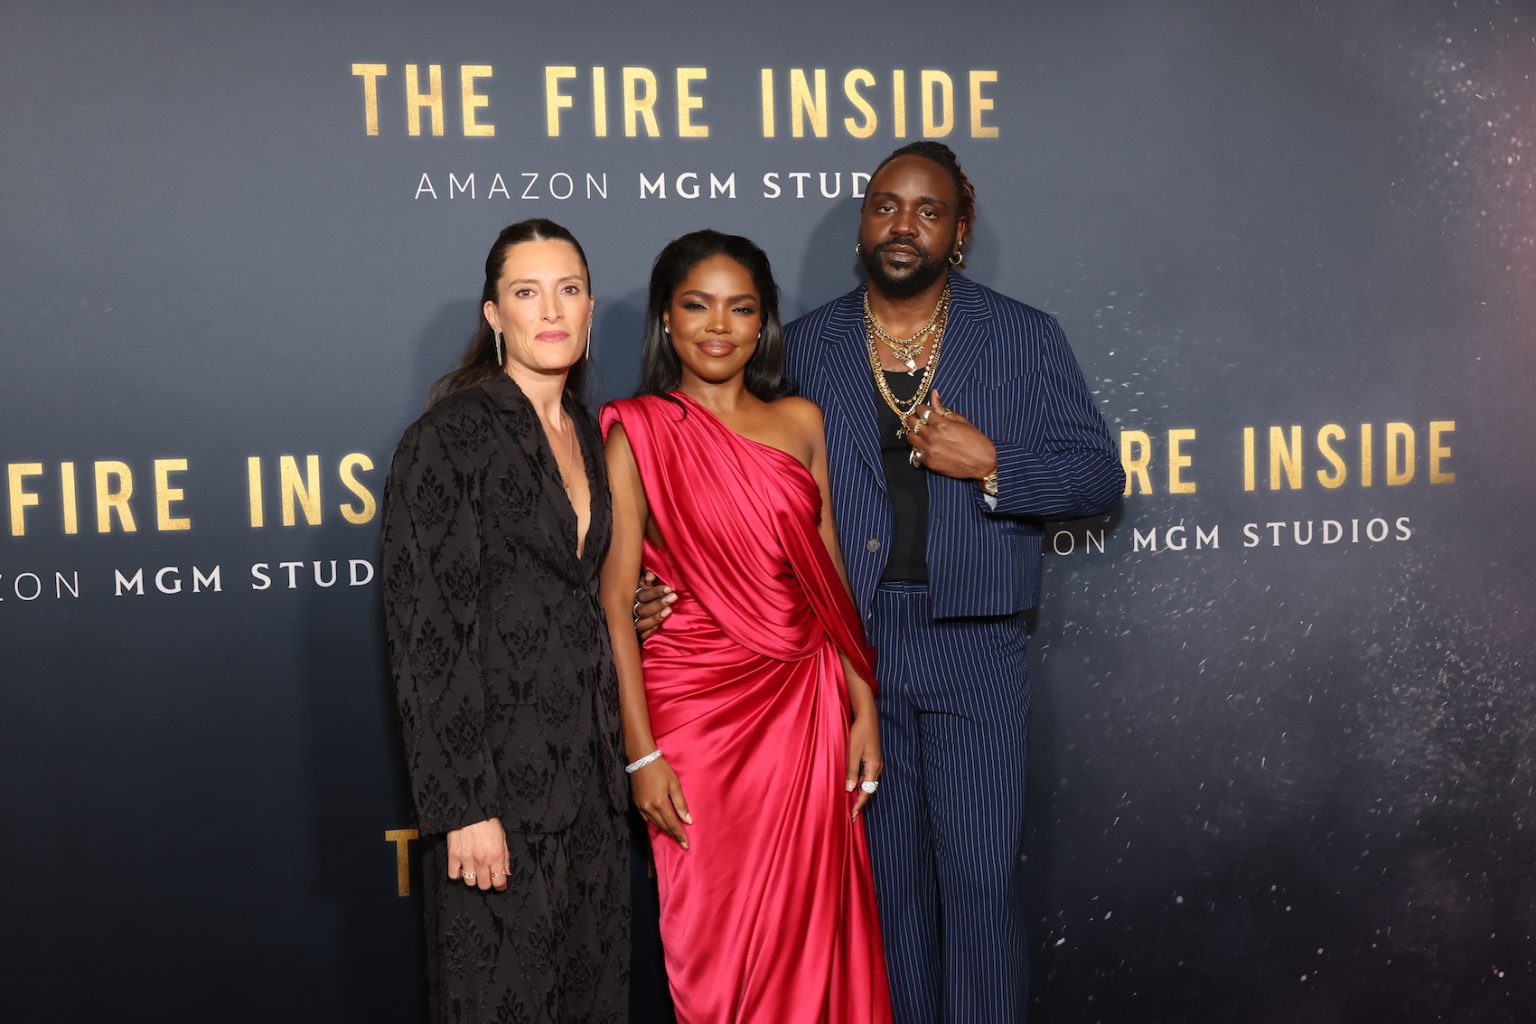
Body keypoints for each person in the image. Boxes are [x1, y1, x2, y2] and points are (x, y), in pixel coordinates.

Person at [637, 144, 1124, 1022]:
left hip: (976, 641)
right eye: (885, 206)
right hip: (843, 653)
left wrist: (997, 466)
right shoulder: (809, 344)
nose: (904, 225)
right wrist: (660, 585)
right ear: (861, 222)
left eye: (928, 210)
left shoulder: (1023, 334)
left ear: (960, 231)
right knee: (883, 896)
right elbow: (744, 481)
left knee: (977, 889)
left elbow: (1099, 476)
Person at [598, 230, 892, 1023]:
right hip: (692, 715)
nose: (718, 326)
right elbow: (615, 604)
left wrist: (863, 703)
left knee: (813, 938)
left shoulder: (801, 420)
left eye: (741, 308)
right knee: (717, 947)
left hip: (804, 708)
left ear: (764, 324)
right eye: (697, 305)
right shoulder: (635, 429)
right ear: (667, 318)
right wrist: (641, 755)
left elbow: (830, 580)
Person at [381, 219, 629, 1024]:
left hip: (591, 786)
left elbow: (566, 587)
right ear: (494, 315)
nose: (550, 310)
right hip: (497, 793)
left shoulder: (588, 434)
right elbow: (427, 637)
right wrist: (464, 810)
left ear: (590, 307)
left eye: (568, 290)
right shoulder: (447, 439)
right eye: (527, 292)